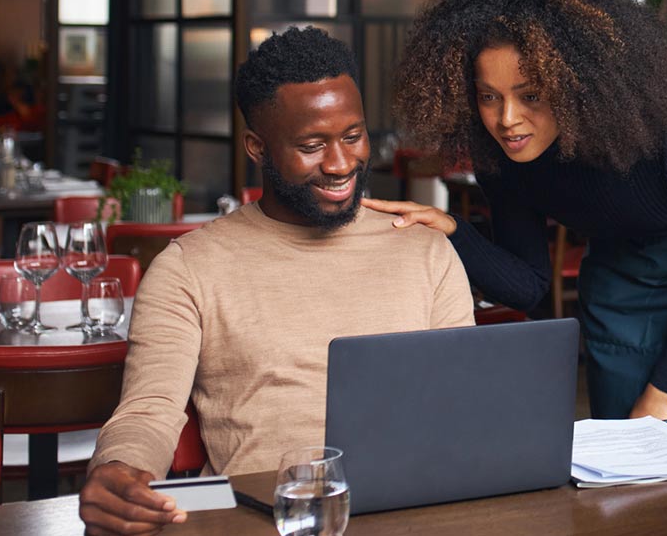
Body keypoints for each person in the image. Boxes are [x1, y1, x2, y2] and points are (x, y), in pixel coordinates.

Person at [78, 27, 476, 535]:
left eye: (352, 137)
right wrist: (118, 470)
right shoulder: (189, 267)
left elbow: (463, 403)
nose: (339, 164)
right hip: (263, 521)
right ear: (257, 148)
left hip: (417, 514)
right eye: (312, 145)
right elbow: (150, 409)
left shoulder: (425, 250)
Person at [364, 0, 667, 458]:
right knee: (621, 450)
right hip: (622, 256)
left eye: (531, 95)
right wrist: (453, 232)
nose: (507, 119)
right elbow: (527, 284)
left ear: (575, 81)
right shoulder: (500, 154)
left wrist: (662, 393)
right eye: (488, 97)